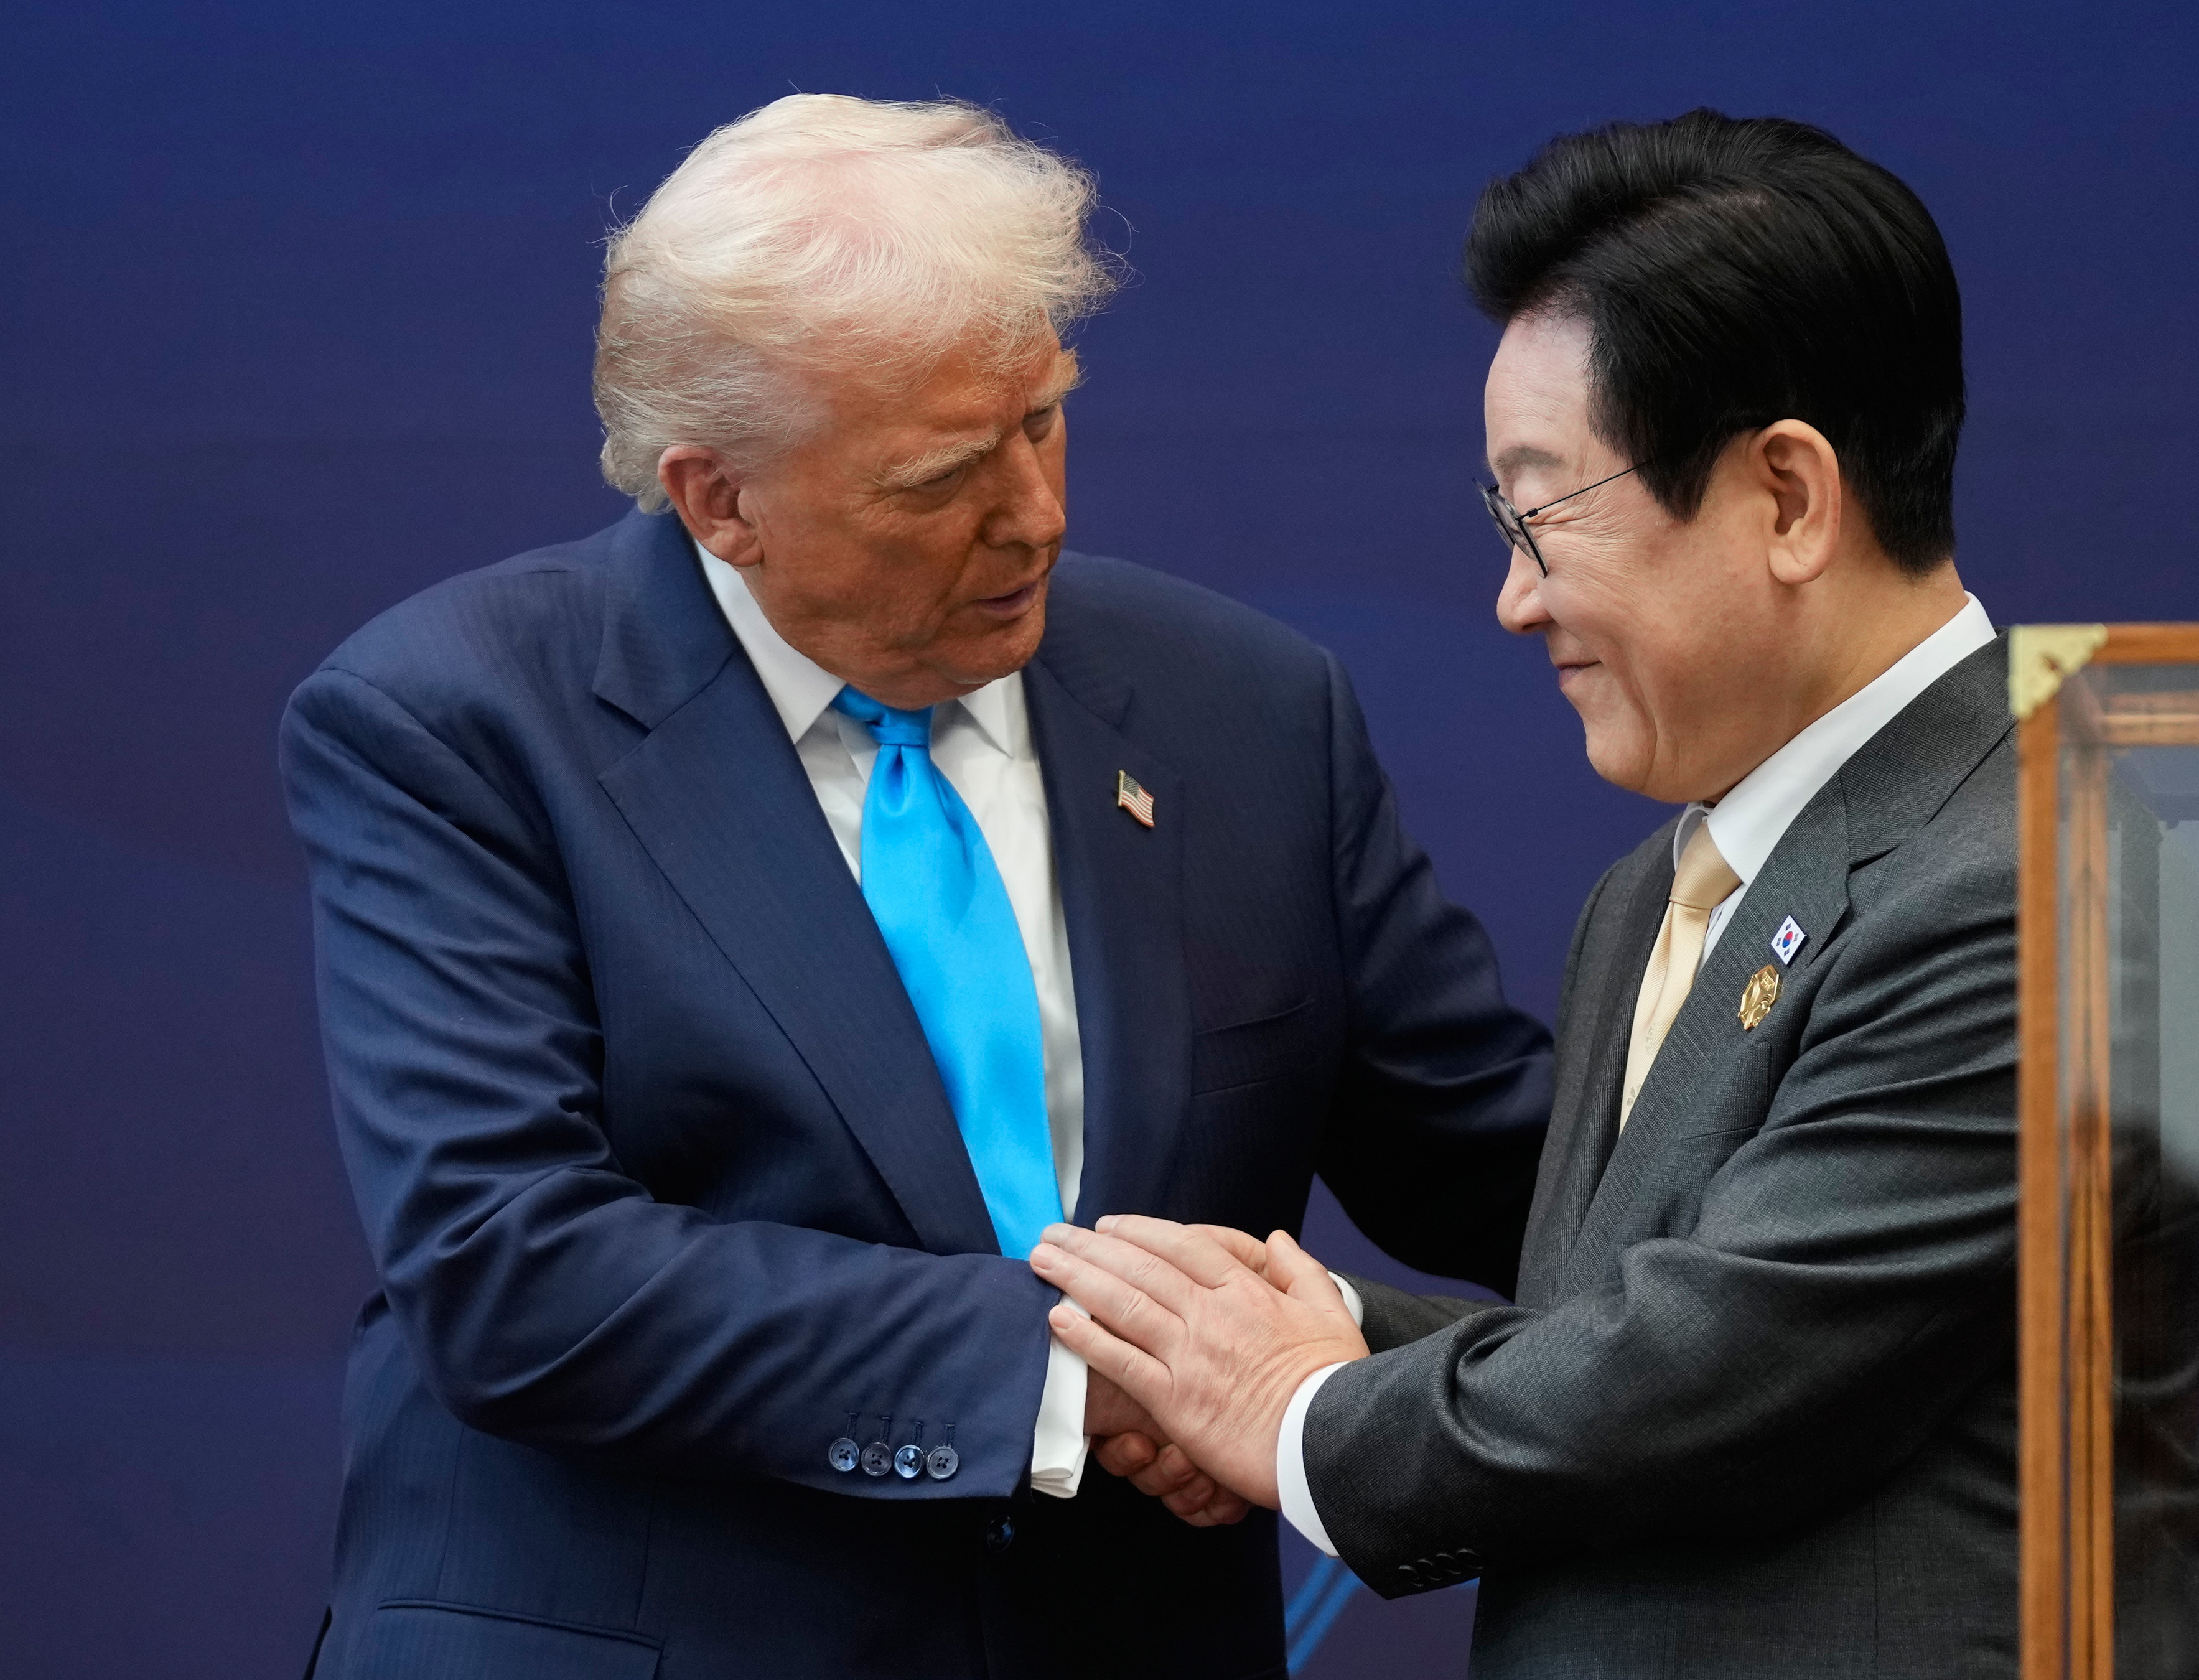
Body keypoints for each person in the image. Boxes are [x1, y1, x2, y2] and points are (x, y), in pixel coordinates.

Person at [281, 94, 1552, 1680]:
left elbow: (1521, 1174)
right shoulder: (458, 720)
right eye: (941, 476)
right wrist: (1103, 1373)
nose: (1038, 512)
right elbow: (511, 1268)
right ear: (716, 499)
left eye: (1044, 419)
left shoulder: (1243, 704)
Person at [1034, 110, 2199, 1678]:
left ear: (1788, 498)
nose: (1515, 600)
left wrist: (1297, 1407)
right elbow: (1652, 1350)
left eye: (1546, 514)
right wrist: (1313, 1330)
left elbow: (1715, 1377)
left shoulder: (2030, 883)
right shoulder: (1655, 892)